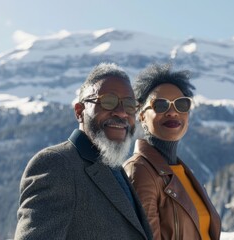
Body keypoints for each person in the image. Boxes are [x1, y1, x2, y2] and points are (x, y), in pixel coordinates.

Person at [14, 63, 153, 240]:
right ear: (79, 112)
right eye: (108, 102)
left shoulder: (113, 166)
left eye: (129, 105)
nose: (121, 112)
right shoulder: (57, 165)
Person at [123, 63, 221, 240]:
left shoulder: (181, 170)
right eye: (160, 105)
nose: (172, 112)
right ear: (142, 115)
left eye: (181, 104)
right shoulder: (140, 171)